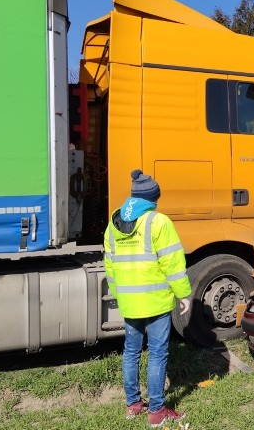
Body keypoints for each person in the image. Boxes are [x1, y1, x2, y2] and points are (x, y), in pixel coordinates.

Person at [104, 169, 192, 427]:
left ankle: (133, 404)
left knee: (131, 351)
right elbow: (173, 263)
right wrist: (183, 294)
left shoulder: (114, 224)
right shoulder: (158, 222)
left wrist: (119, 294)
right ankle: (156, 410)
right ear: (152, 198)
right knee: (157, 353)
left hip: (130, 302)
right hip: (155, 301)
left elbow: (110, 265)